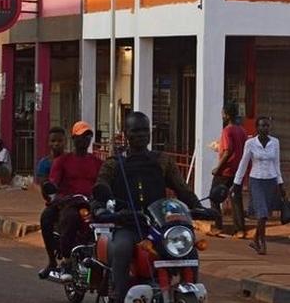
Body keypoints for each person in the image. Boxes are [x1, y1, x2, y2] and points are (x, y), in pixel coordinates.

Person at [94, 112, 205, 303]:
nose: (141, 135)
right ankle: (118, 296)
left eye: (145, 130)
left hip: (159, 227)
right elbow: (100, 186)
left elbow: (181, 188)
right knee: (121, 248)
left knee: (189, 248)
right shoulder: (114, 163)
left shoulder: (162, 160)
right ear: (126, 133)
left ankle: (189, 289)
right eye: (136, 130)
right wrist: (101, 208)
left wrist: (198, 206)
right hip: (127, 224)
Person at [38, 121, 101, 280]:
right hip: (69, 202)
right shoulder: (62, 161)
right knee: (56, 217)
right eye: (81, 136)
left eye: (88, 136)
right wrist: (50, 189)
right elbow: (53, 182)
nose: (84, 140)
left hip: (92, 203)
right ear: (74, 139)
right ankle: (60, 261)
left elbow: (104, 183)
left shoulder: (97, 162)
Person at [233, 116, 284, 255]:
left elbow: (277, 164)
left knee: (266, 214)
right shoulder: (250, 143)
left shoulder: (275, 142)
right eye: (261, 126)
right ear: (257, 128)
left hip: (271, 180)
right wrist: (237, 183)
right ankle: (262, 242)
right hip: (256, 181)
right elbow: (243, 163)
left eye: (267, 125)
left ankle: (255, 239)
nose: (264, 128)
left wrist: (280, 183)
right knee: (261, 213)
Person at [210, 102, 248, 237]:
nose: (222, 115)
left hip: (225, 170)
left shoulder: (227, 130)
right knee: (236, 198)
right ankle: (240, 229)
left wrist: (217, 168)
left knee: (214, 197)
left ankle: (217, 226)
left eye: (222, 113)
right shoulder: (242, 130)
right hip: (238, 169)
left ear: (226, 114)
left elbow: (228, 151)